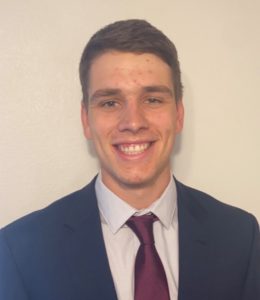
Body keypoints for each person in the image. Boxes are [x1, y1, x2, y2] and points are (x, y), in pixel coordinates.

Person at [0, 19, 259, 300]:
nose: (133, 122)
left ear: (179, 114)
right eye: (110, 102)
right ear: (86, 120)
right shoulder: (20, 251)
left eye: (153, 100)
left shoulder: (240, 237)